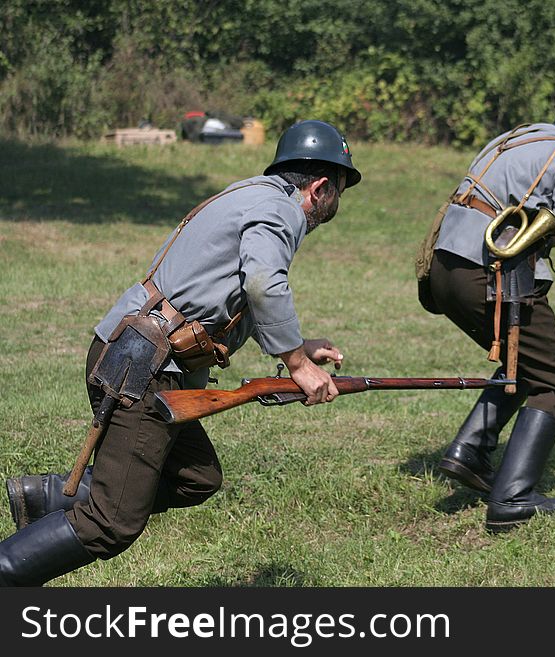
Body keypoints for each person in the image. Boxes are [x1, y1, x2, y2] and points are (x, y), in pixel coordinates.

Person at [0, 120, 362, 586]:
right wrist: (297, 364)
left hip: (140, 354)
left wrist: (299, 344)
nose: (338, 202)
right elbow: (262, 283)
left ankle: (46, 497)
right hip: (145, 366)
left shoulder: (251, 197)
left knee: (197, 477)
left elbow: (225, 295)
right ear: (320, 187)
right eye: (340, 191)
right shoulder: (282, 211)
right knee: (111, 523)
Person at [424, 89, 555, 532]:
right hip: (487, 272)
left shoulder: (514, 138)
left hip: (443, 267)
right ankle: (511, 498)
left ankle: (470, 451)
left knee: (524, 362)